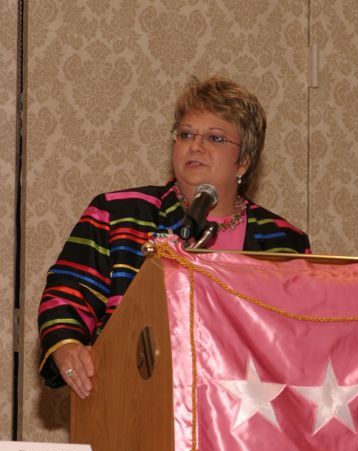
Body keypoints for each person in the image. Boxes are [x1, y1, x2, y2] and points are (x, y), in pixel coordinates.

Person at [38, 76, 311, 399]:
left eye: (215, 137)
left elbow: (302, 337)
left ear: (245, 161)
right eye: (185, 134)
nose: (195, 146)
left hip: (244, 418)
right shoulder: (119, 214)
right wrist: (66, 346)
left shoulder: (284, 241)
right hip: (133, 406)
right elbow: (68, 294)